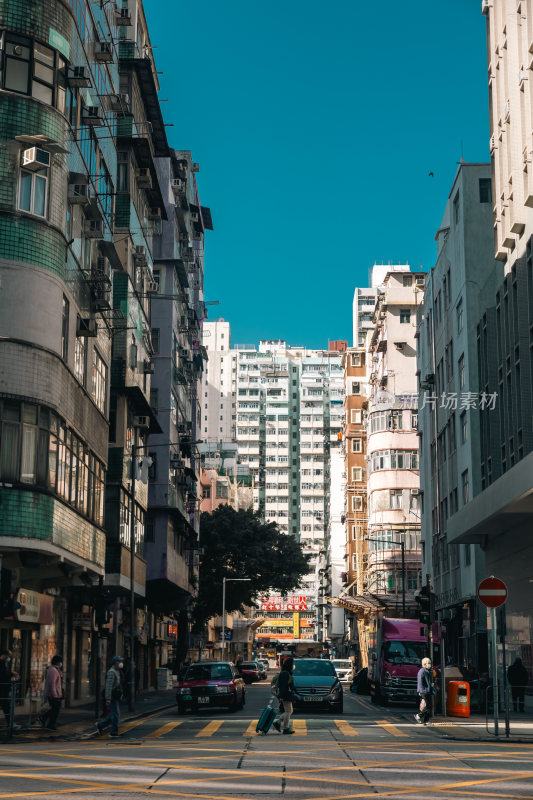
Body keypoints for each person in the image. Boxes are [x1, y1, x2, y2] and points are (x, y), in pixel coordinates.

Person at [96, 656, 124, 737]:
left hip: (116, 696)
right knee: (115, 715)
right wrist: (108, 698)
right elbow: (108, 686)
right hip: (112, 696)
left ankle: (100, 725)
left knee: (114, 714)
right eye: (119, 661)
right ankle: (113, 732)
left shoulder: (117, 671)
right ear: (115, 662)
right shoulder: (112, 672)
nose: (121, 663)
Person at [39, 656, 63, 730]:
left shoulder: (56, 670)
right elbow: (52, 683)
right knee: (55, 710)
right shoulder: (53, 670)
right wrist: (54, 694)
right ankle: (50, 724)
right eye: (60, 662)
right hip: (53, 694)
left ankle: (44, 719)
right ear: (57, 662)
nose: (61, 664)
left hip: (55, 693)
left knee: (53, 709)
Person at [273, 657, 295, 735]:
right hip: (285, 695)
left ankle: (278, 723)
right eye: (293, 664)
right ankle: (285, 728)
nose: (293, 665)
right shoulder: (285, 673)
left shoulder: (286, 672)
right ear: (290, 664)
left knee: (289, 711)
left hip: (287, 694)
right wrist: (281, 696)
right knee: (288, 711)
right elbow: (283, 686)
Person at [0, 650, 20, 731]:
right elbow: (3, 675)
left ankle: (10, 723)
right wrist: (12, 674)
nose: (9, 658)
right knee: (6, 707)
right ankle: (10, 724)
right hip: (2, 689)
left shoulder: (2, 663)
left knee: (6, 707)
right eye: (9, 656)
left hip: (3, 689)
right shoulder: (1, 664)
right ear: (5, 655)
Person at [414, 657, 435, 726]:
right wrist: (429, 689)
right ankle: (419, 716)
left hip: (424, 691)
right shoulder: (424, 671)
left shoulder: (423, 671)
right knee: (429, 705)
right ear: (424, 664)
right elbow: (426, 682)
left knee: (428, 706)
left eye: (430, 663)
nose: (429, 665)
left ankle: (426, 721)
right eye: (428, 663)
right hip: (425, 691)